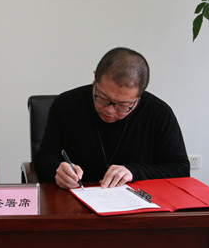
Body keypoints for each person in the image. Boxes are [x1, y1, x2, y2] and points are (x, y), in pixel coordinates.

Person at [34, 47, 190, 189]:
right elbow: (44, 158)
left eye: (123, 105)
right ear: (95, 79)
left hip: (137, 205)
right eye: (102, 98)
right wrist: (57, 170)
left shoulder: (158, 113)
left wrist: (134, 172)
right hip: (74, 199)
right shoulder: (66, 105)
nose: (109, 110)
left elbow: (180, 169)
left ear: (140, 95)